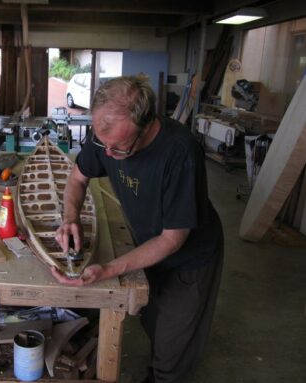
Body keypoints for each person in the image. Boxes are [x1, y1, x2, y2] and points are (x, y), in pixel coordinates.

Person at [53, 75, 224, 383]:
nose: (107, 154)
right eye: (103, 145)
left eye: (118, 148)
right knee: (152, 322)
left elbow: (173, 239)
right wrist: (70, 218)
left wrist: (109, 270)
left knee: (174, 350)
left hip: (190, 257)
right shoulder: (106, 138)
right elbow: (78, 177)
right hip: (148, 242)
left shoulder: (180, 151)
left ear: (146, 125)